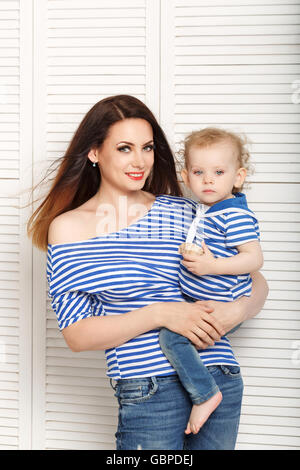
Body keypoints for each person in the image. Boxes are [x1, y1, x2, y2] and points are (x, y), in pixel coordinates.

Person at [27, 95, 268, 450]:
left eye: (147, 147)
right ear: (94, 152)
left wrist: (238, 310)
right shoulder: (69, 229)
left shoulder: (188, 210)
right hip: (150, 385)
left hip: (220, 376)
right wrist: (160, 313)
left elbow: (255, 280)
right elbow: (77, 335)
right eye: (125, 148)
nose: (139, 161)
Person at [159, 127, 264, 435]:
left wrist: (210, 266)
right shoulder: (205, 211)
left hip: (222, 303)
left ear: (238, 176)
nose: (208, 180)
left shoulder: (235, 215)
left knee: (172, 337)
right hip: (203, 300)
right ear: (186, 176)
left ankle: (206, 394)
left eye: (219, 172)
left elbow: (254, 259)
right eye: (199, 171)